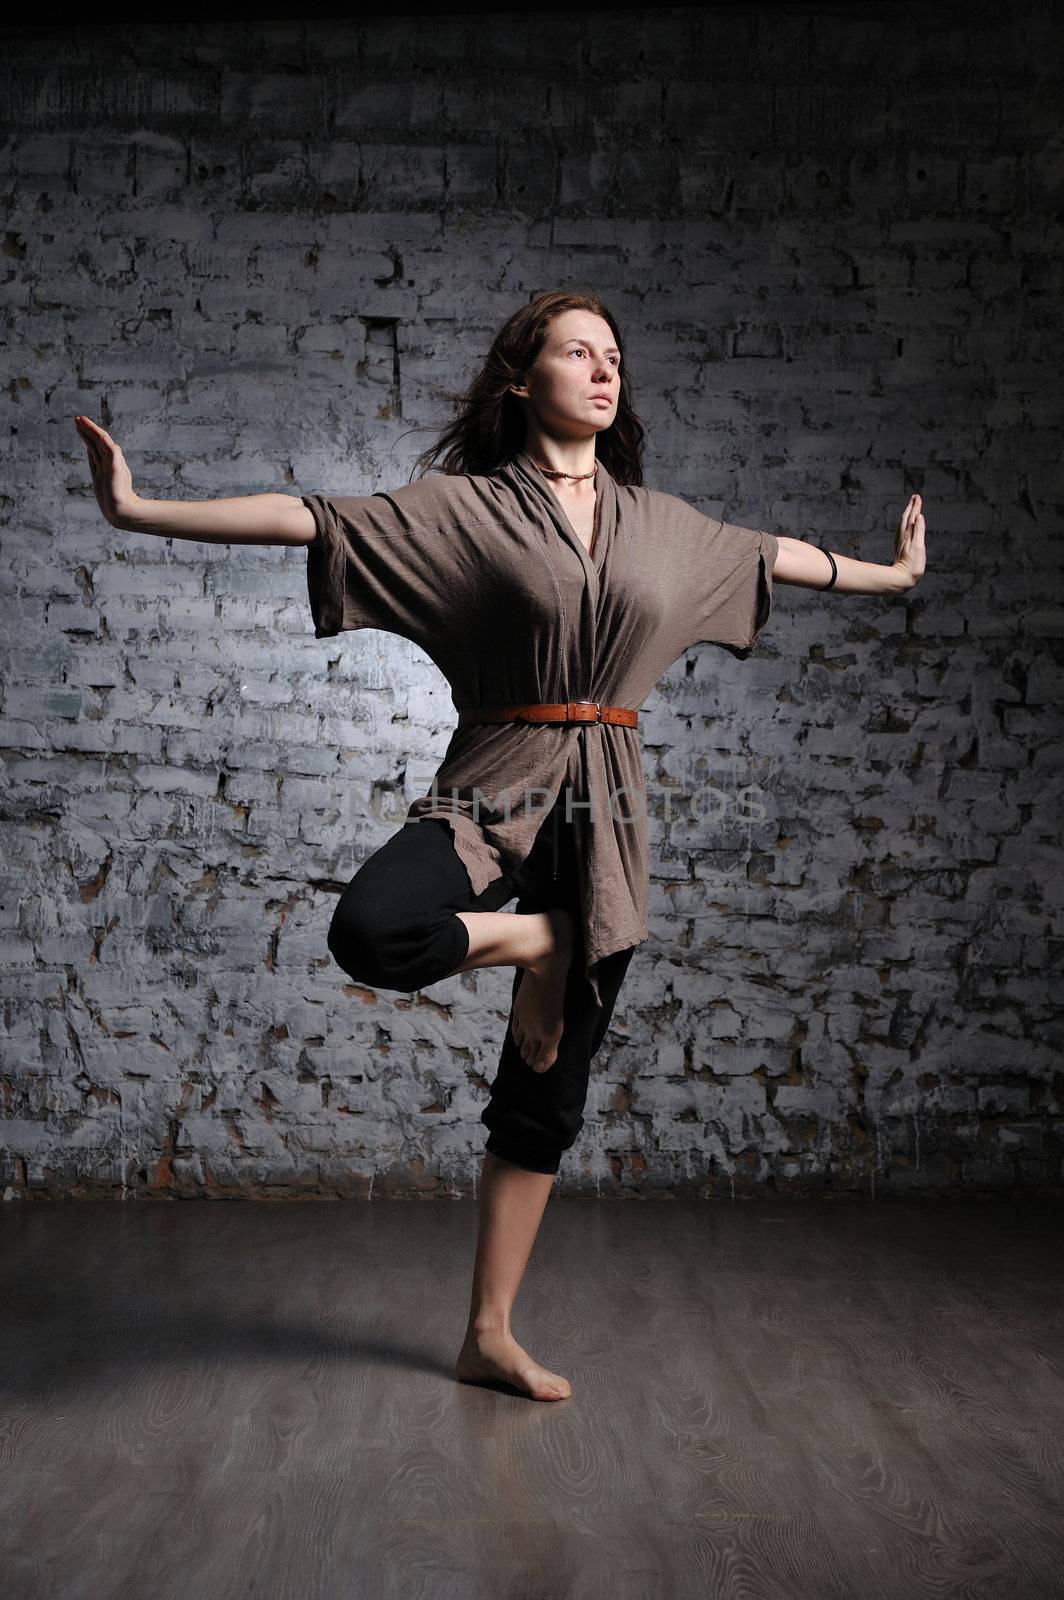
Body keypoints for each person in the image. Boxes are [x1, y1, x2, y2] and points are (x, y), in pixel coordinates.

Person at [74, 288, 927, 1403]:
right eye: (578, 351)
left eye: (614, 353)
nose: (603, 367)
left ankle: (488, 1331)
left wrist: (895, 575)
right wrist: (140, 510)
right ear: (521, 380)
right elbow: (312, 519)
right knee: (374, 927)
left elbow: (783, 559)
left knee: (543, 1094)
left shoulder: (664, 525)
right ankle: (535, 940)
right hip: (493, 789)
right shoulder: (464, 513)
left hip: (605, 818)